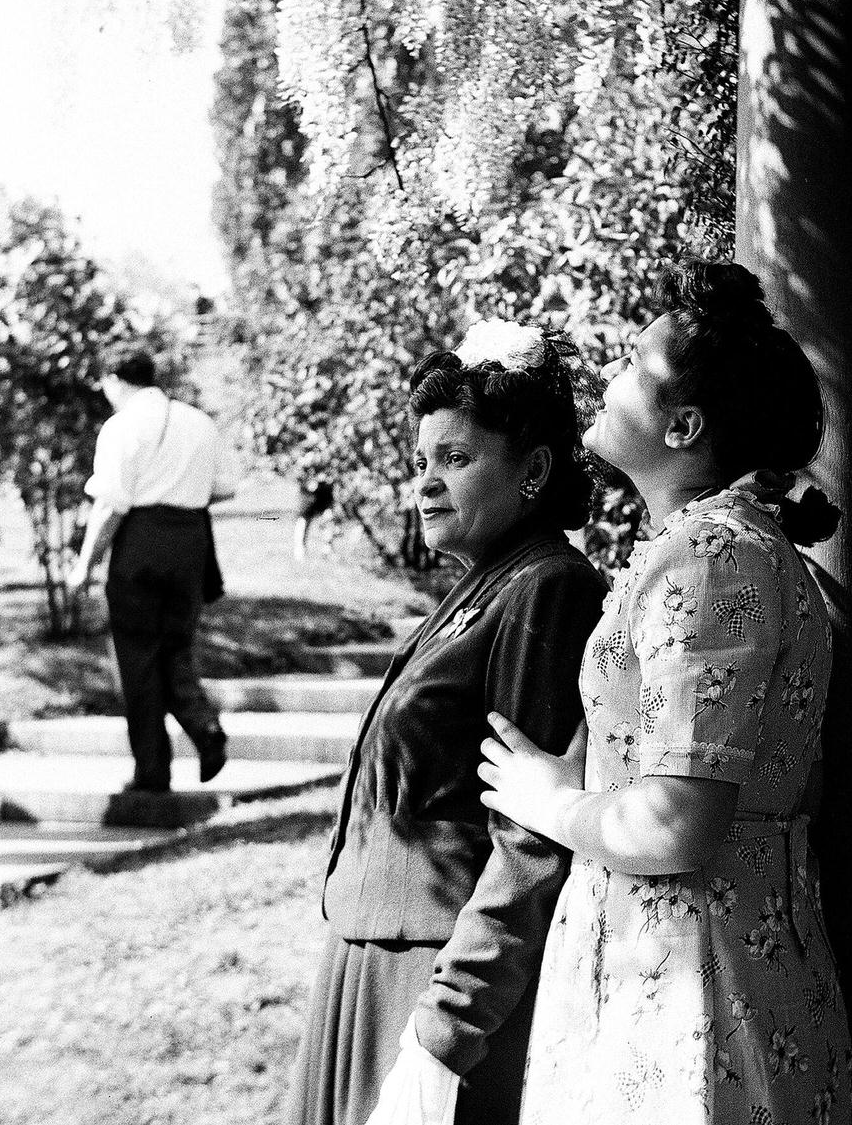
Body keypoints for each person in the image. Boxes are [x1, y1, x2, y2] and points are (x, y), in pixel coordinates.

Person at [479, 262, 852, 1124]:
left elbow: (678, 822)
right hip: (707, 967)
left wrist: (555, 803)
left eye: (632, 363)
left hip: (689, 991)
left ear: (684, 425)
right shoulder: (726, 546)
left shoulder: (713, 557)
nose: (609, 380)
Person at [285, 320, 606, 1125]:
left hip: (436, 974)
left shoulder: (547, 588)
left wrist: (447, 1027)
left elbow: (530, 840)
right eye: (420, 462)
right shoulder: (482, 585)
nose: (425, 484)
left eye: (455, 459)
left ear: (534, 469)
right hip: (370, 961)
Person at [66, 346, 235, 792]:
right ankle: (203, 727)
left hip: (140, 541)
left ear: (116, 380)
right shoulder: (199, 421)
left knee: (137, 657)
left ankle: (152, 771)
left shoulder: (121, 427)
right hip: (191, 542)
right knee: (177, 646)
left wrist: (85, 564)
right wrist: (182, 490)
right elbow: (225, 488)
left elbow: (111, 504)